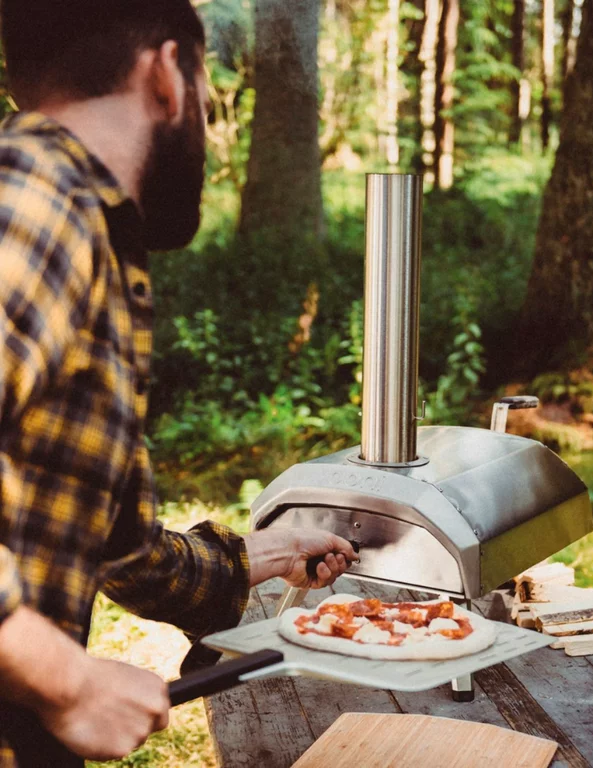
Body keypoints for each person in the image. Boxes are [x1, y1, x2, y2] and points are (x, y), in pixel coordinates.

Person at [0, 1, 358, 765]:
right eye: (207, 90)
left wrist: (258, 555)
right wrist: (66, 680)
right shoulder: (32, 203)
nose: (208, 119)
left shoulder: (79, 219)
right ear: (167, 75)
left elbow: (116, 547)